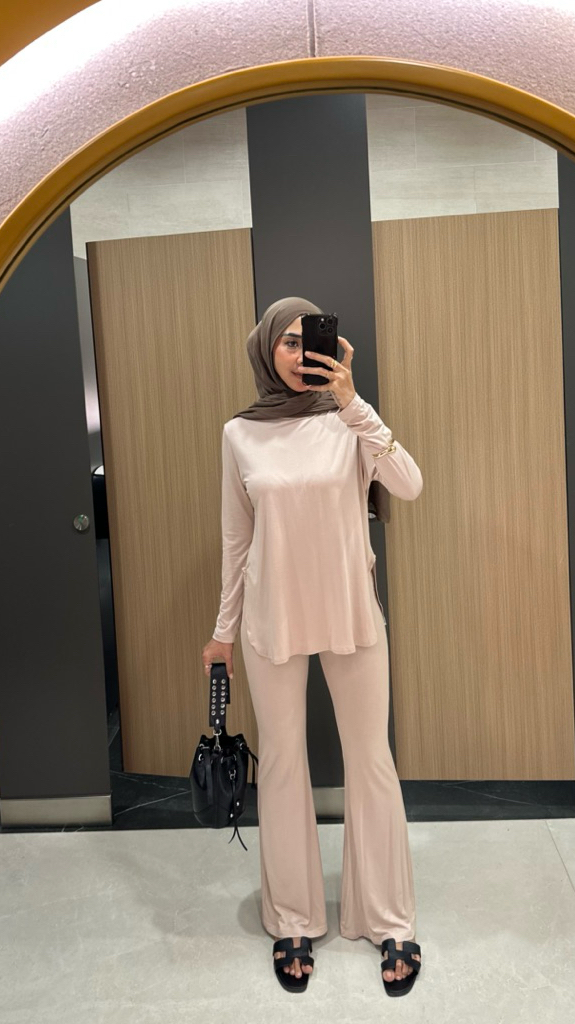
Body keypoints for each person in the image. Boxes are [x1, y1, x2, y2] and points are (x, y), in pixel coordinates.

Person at [201, 296, 425, 996]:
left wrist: (355, 404)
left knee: (372, 760)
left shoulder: (348, 421)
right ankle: (293, 919)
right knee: (282, 766)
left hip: (351, 610)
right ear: (267, 349)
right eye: (289, 342)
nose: (302, 354)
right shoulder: (240, 433)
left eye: (312, 340)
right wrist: (222, 632)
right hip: (272, 617)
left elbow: (410, 485)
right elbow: (236, 541)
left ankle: (388, 918)